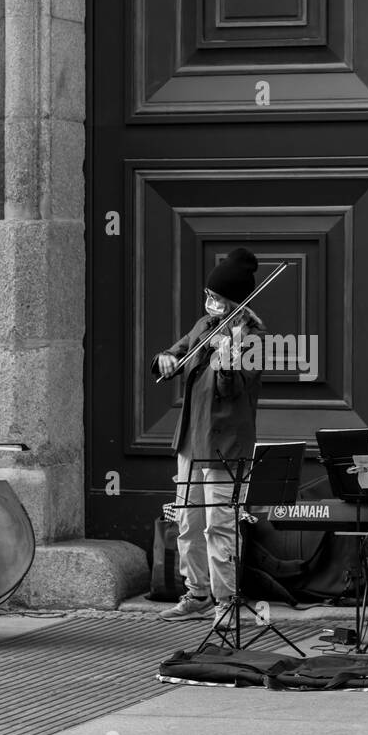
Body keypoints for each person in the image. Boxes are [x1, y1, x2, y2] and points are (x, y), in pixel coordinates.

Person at [152, 249, 266, 627]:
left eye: (217, 299)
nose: (210, 303)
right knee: (187, 521)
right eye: (208, 296)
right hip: (190, 440)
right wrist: (165, 359)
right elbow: (178, 351)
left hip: (226, 447)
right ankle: (197, 592)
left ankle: (226, 602)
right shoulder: (204, 326)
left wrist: (229, 357)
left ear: (235, 301)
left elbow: (232, 391)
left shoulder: (253, 340)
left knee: (219, 524)